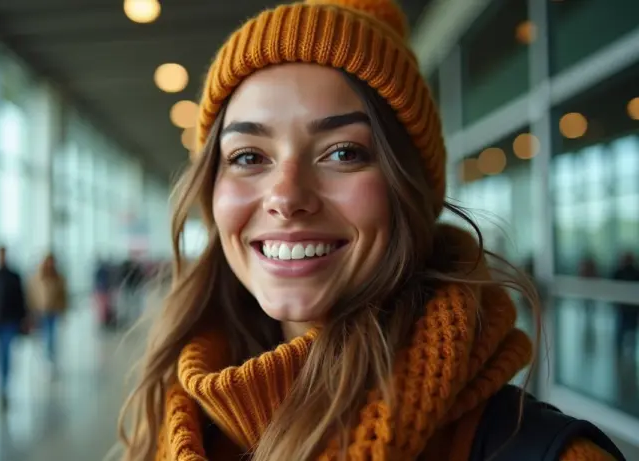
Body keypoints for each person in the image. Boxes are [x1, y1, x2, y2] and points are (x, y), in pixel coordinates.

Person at [118, 1, 627, 460]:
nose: (286, 197)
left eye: (343, 152)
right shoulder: (166, 419)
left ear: (409, 191)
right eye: (248, 156)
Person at [0, 245, 28, 409]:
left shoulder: (14, 275)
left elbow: (21, 298)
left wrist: (24, 318)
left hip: (11, 320)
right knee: (0, 354)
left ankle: (4, 383)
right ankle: (2, 384)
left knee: (7, 352)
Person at [28, 253, 68, 371]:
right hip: (41, 312)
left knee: (52, 335)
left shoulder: (59, 277)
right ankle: (45, 358)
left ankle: (50, 357)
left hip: (54, 311)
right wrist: (32, 310)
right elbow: (32, 295)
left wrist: (63, 310)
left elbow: (63, 296)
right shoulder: (37, 278)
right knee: (44, 335)